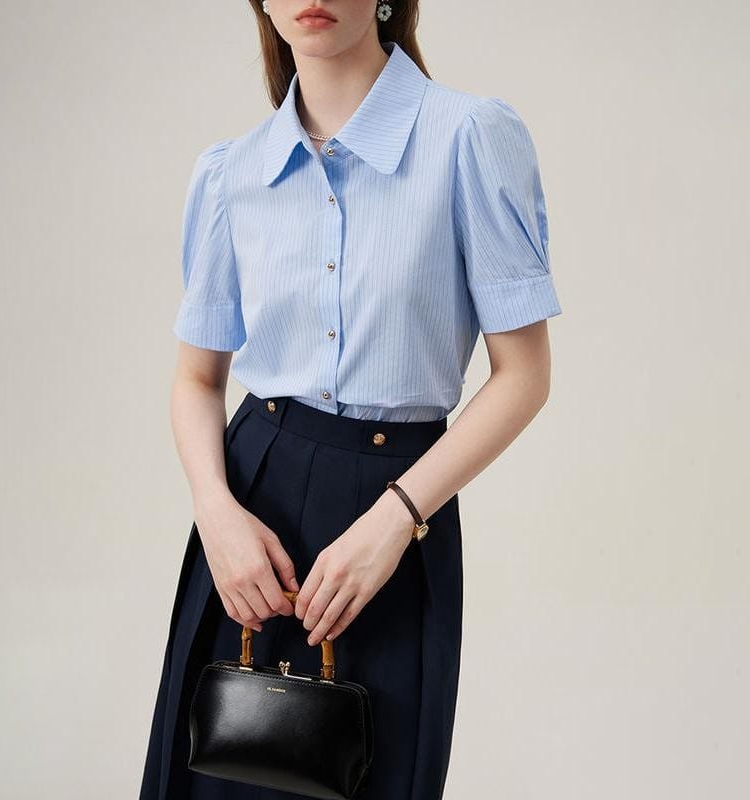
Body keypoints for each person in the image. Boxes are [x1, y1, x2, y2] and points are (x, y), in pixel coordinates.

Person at [139, 1, 562, 798]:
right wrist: (215, 515)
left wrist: (395, 521)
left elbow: (524, 377)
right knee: (215, 773)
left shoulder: (469, 139)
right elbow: (198, 378)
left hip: (400, 505)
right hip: (248, 507)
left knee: (374, 775)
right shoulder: (232, 172)